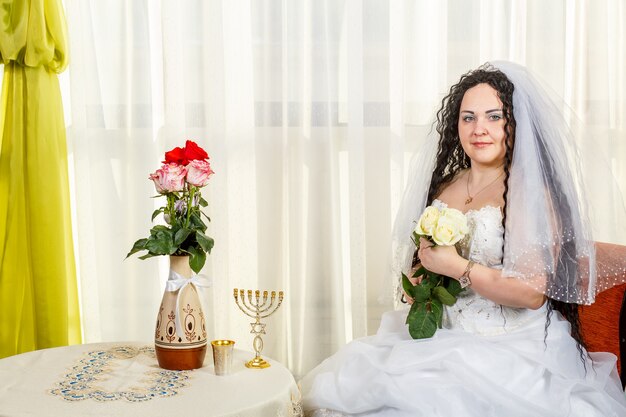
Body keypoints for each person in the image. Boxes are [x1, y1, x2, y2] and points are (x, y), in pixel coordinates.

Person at [299, 61, 626, 417]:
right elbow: (428, 259)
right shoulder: (447, 184)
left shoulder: (528, 193)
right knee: (357, 389)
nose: (478, 129)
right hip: (443, 332)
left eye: (493, 117)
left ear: (515, 124)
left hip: (508, 346)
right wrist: (421, 278)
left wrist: (457, 267)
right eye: (468, 117)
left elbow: (532, 294)